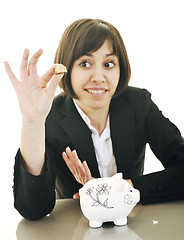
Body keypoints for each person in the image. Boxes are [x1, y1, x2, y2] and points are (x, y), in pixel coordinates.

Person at [4, 18, 184, 220]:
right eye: (85, 63)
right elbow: (33, 210)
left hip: (132, 222)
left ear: (120, 69)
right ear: (67, 69)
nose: (98, 77)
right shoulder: (49, 116)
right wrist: (33, 122)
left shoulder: (139, 103)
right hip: (76, 228)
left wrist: (122, 188)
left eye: (108, 64)